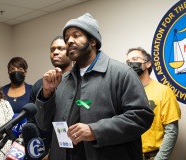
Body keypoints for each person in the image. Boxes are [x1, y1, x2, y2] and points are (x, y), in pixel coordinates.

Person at [34, 13, 154, 160]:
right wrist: (47, 94)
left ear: (92, 41)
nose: (69, 41)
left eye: (76, 35)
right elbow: (44, 125)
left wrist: (95, 130)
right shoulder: (63, 81)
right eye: (67, 39)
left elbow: (141, 117)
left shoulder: (122, 73)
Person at [126, 47, 181, 160]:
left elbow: (171, 131)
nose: (131, 63)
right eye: (128, 61)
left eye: (135, 58)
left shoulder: (163, 91)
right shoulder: (124, 91)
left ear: (148, 64)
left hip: (152, 156)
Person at [29, 35, 73, 160]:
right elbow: (32, 120)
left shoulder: (79, 81)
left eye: (60, 48)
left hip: (73, 149)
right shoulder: (40, 84)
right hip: (45, 148)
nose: (55, 52)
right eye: (52, 49)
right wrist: (42, 151)